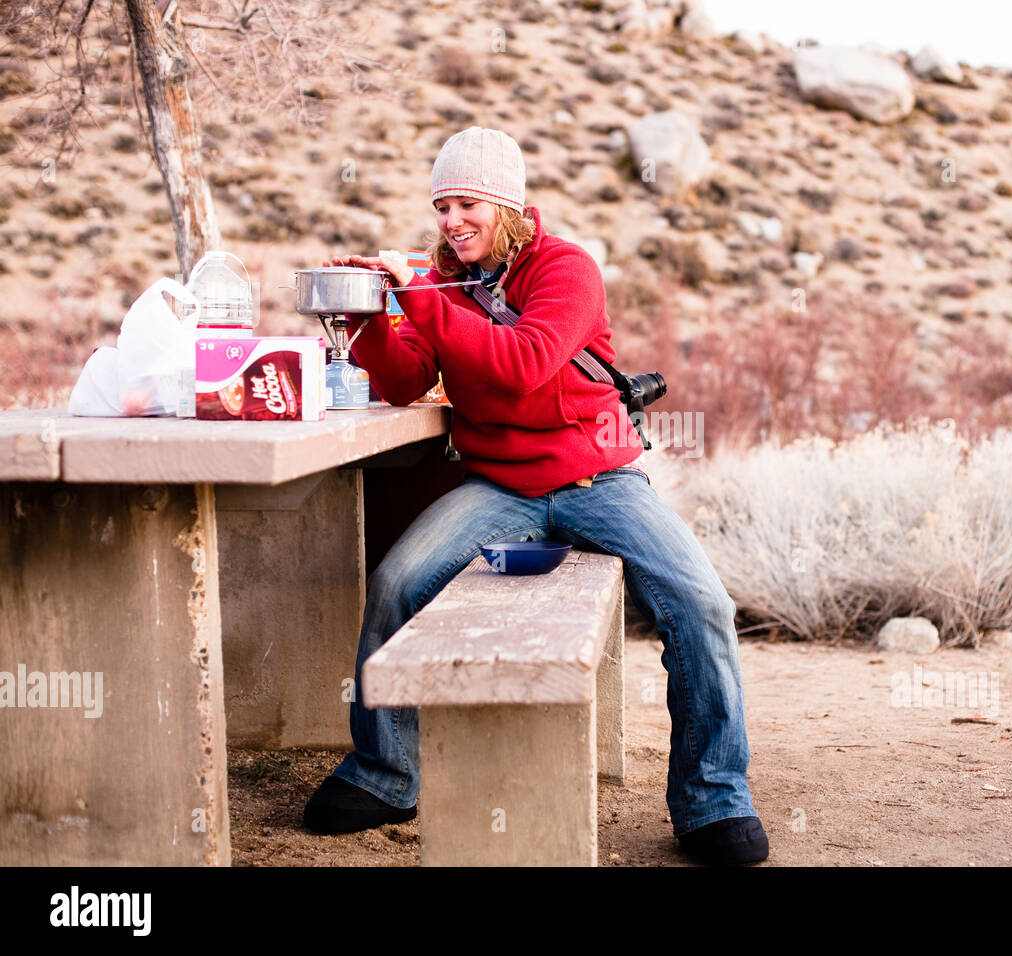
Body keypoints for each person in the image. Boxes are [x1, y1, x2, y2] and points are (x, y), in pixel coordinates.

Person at [302, 126, 768, 866]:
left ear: (506, 205)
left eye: (468, 203)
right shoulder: (440, 278)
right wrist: (366, 312)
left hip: (600, 480)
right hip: (501, 484)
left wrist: (418, 294)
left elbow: (522, 364)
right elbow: (401, 382)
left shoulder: (567, 269)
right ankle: (385, 773)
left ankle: (713, 798)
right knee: (396, 581)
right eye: (443, 204)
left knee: (702, 602)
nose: (453, 220)